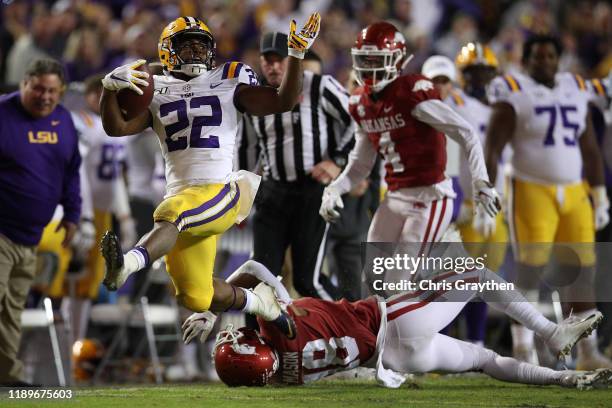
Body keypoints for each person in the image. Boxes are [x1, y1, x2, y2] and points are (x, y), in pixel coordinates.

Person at [97, 14, 322, 337]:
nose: (194, 51)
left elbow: (283, 101)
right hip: (182, 196)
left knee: (172, 214)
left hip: (222, 191)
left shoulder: (229, 77)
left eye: (200, 45)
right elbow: (115, 127)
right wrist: (108, 89)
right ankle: (261, 304)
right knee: (195, 295)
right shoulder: (157, 87)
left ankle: (126, 266)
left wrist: (296, 56)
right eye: (185, 45)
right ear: (166, 51)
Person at [182, 256, 609, 389]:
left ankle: (566, 381)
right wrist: (211, 307)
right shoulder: (279, 326)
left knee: (485, 361)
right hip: (393, 323)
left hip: (396, 360)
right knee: (475, 273)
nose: (236, 334)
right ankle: (553, 332)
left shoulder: (279, 381)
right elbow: (256, 270)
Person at [485, 34, 612, 369]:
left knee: (582, 270)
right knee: (530, 271)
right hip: (531, 188)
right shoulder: (513, 89)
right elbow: (493, 144)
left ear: (559, 59)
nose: (544, 62)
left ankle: (587, 352)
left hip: (574, 191)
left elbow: (588, 145)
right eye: (538, 57)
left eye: (550, 56)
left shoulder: (574, 86)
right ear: (526, 61)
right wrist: (490, 187)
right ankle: (523, 350)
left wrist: (598, 193)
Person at [319, 22, 499, 256]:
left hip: (431, 196)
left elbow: (466, 133)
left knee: (399, 278)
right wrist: (334, 190)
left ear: (396, 60)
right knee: (374, 274)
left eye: (377, 60)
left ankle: (469, 280)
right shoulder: (359, 103)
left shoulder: (411, 94)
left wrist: (481, 182)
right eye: (365, 59)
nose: (369, 68)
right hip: (396, 196)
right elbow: (361, 164)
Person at [239, 33, 356, 300]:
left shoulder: (318, 85)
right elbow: (247, 147)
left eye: (279, 60)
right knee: (260, 275)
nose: (273, 66)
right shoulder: (253, 95)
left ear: (293, 60)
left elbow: (357, 119)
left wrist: (337, 160)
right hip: (273, 194)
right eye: (267, 60)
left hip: (311, 191)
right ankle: (256, 340)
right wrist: (242, 197)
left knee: (307, 281)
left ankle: (351, 331)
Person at [0, 58, 82, 386]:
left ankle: (7, 375)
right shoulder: (3, 114)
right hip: (1, 229)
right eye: (38, 89)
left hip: (31, 236)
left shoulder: (63, 120)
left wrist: (73, 214)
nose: (45, 97)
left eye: (52, 91)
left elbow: (71, 170)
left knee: (12, 309)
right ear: (24, 84)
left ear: (60, 91)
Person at [421, 46, 507, 348]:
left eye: (484, 71)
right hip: (441, 205)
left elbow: (500, 158)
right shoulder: (437, 108)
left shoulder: (492, 108)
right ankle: (439, 345)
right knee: (444, 283)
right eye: (471, 72)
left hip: (473, 204)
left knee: (480, 279)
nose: (479, 78)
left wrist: (494, 200)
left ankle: (475, 344)